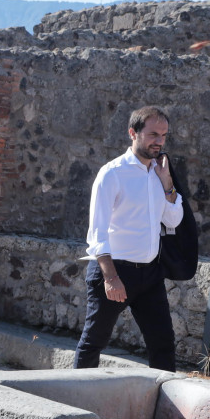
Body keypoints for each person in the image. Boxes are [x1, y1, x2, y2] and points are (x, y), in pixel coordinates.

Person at [75, 106, 183, 371]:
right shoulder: (112, 174)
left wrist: (168, 184)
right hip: (115, 271)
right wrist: (111, 278)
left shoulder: (160, 174)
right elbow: (97, 234)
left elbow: (172, 221)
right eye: (153, 134)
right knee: (94, 343)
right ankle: (75, 401)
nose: (159, 141)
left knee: (163, 345)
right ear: (133, 133)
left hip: (150, 275)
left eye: (164, 135)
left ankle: (162, 408)